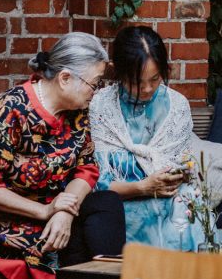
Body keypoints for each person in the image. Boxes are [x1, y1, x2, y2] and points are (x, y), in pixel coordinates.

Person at [0, 31, 122, 279]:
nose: (96, 92)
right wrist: (45, 212)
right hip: (8, 218)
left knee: (106, 204)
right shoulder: (8, 110)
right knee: (75, 244)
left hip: (55, 210)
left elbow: (86, 169)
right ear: (65, 78)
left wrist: (64, 211)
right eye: (94, 83)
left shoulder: (77, 112)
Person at [88, 26, 205, 250]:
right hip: (124, 207)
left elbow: (185, 169)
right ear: (119, 74)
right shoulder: (101, 106)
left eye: (155, 78)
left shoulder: (177, 106)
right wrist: (144, 187)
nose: (147, 89)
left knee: (187, 201)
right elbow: (97, 184)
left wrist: (179, 174)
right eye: (136, 83)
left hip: (171, 204)